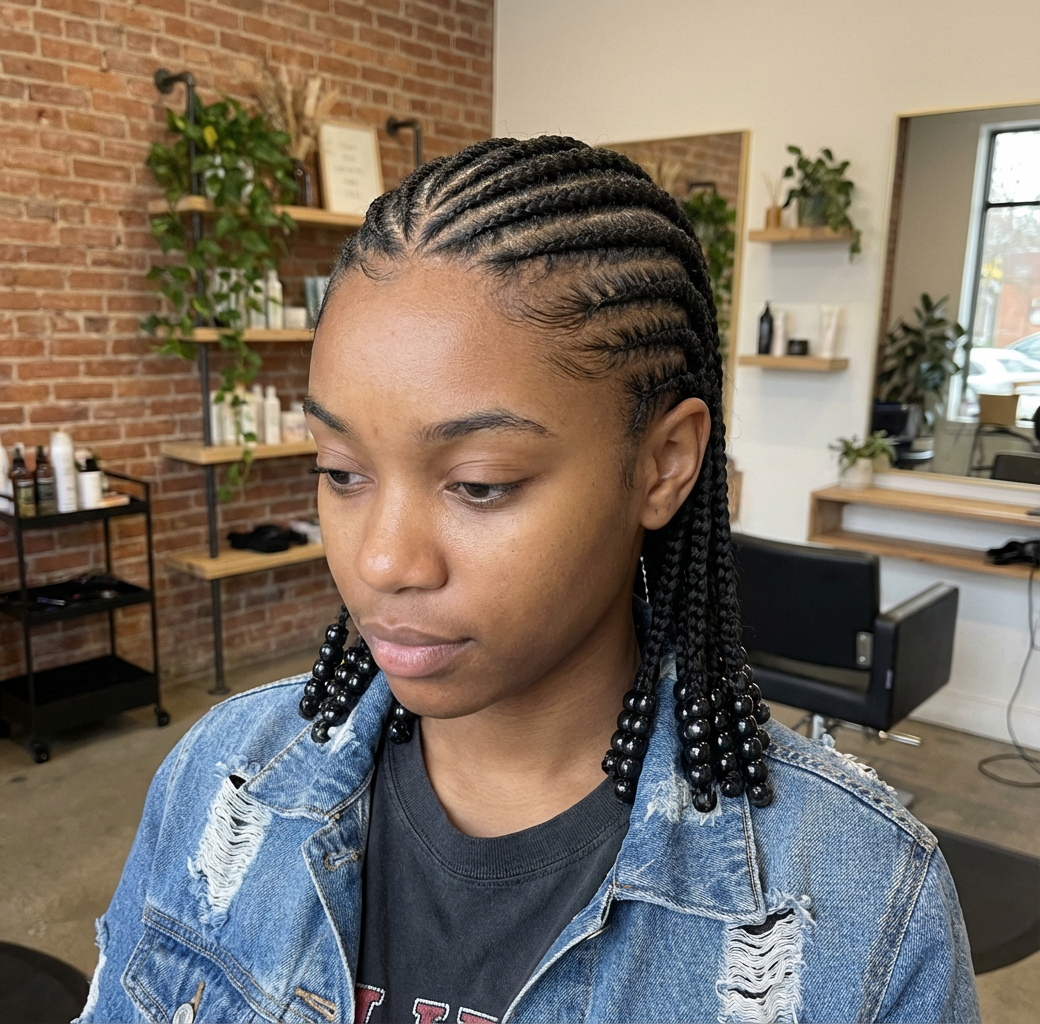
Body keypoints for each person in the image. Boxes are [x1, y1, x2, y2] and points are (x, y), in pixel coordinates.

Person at [78, 136, 979, 1024]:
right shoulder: (222, 783)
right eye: (342, 470)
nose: (383, 561)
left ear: (663, 464)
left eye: (479, 485)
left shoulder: (858, 912)